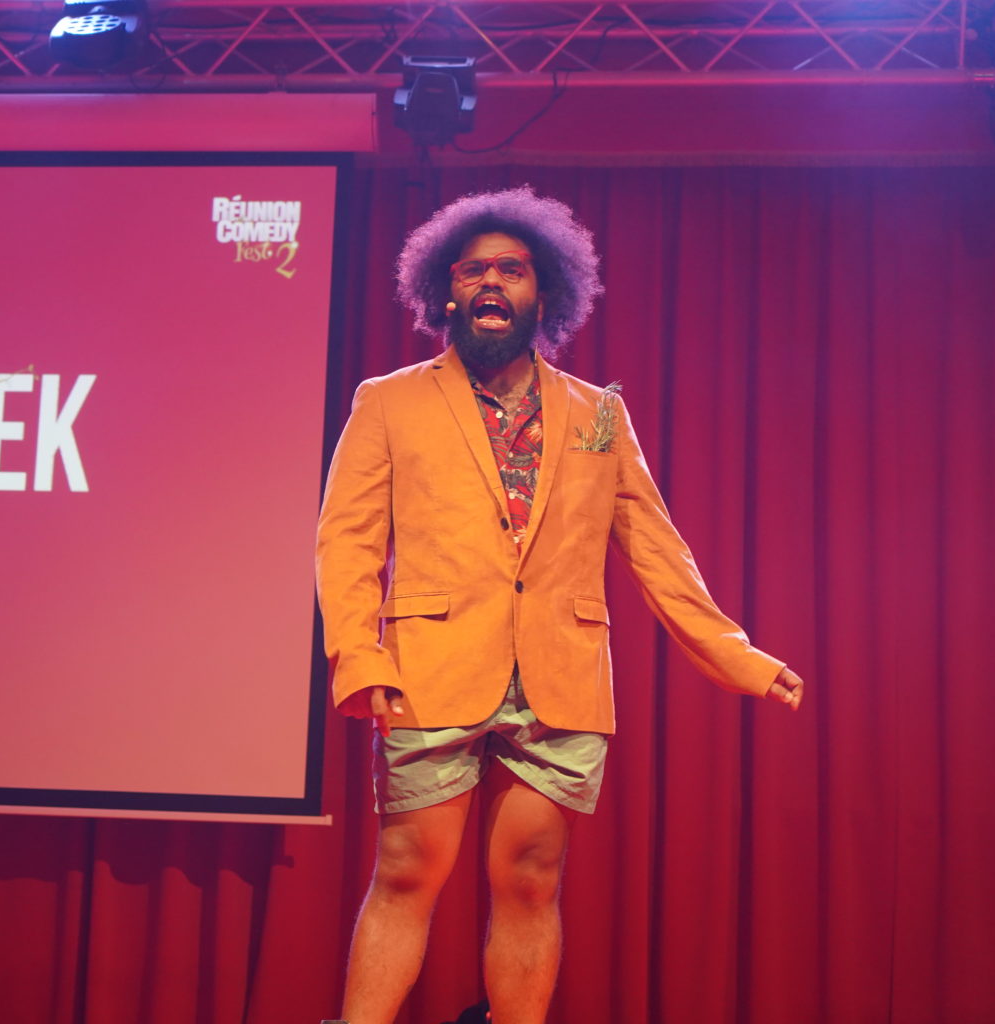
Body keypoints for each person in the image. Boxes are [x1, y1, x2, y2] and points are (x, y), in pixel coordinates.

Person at [314, 187, 805, 1024]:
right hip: (430, 667)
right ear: (446, 291)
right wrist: (359, 657)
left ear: (545, 294)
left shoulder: (598, 413)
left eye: (511, 269)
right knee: (406, 870)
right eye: (473, 271)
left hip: (560, 674)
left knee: (532, 877)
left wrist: (736, 655)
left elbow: (655, 545)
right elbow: (347, 541)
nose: (490, 282)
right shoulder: (388, 400)